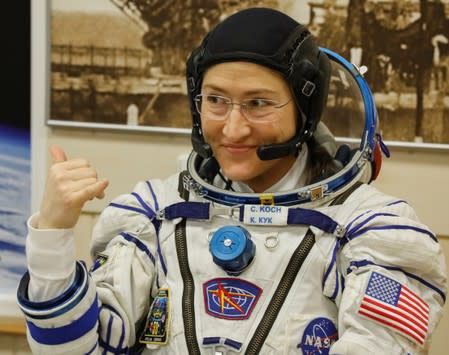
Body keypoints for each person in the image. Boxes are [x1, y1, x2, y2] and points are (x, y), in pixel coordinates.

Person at [17, 8, 446, 355]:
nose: (232, 128)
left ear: (304, 112)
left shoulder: (372, 231)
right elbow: (78, 350)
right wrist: (52, 238)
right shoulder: (153, 214)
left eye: (258, 103)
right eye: (216, 101)